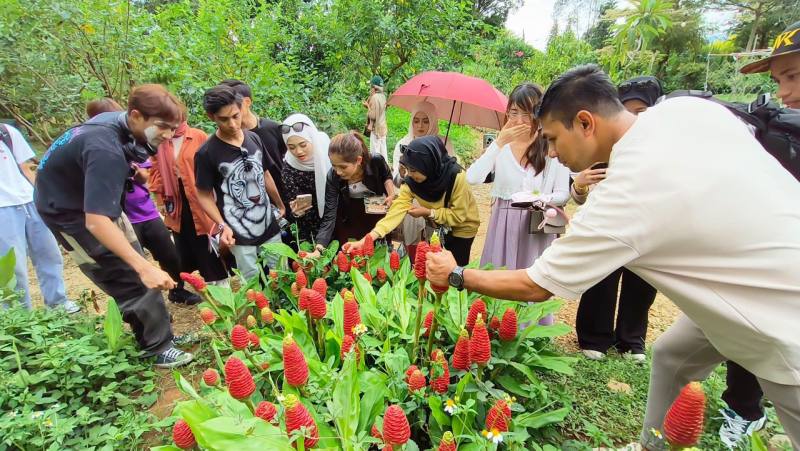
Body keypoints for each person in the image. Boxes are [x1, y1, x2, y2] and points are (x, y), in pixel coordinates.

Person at [424, 65, 800, 451]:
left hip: (777, 315)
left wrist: (456, 275)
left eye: (553, 138)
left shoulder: (625, 190)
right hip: (747, 268)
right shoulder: (684, 110)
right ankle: (651, 445)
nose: (551, 151)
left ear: (585, 123)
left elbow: (537, 285)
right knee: (672, 355)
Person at [34, 84, 192, 368]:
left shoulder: (115, 124)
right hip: (71, 214)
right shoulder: (104, 149)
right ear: (135, 115)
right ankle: (157, 347)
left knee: (134, 259)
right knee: (128, 272)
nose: (168, 135)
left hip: (90, 200)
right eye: (163, 127)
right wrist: (143, 267)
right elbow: (95, 222)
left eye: (173, 128)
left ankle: (160, 332)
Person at [705, 20, 800, 448]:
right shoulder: (778, 132)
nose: (784, 92)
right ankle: (744, 409)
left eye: (793, 76)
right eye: (780, 79)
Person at [572, 77, 662, 362]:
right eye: (628, 110)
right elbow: (581, 197)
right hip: (609, 223)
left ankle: (631, 340)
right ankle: (595, 337)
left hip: (647, 222)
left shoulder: (664, 146)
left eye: (641, 111)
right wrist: (579, 185)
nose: (634, 118)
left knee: (642, 280)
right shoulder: (603, 145)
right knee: (602, 275)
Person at [466, 83, 569, 325]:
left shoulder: (551, 146)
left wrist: (541, 199)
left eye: (527, 113)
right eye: (514, 112)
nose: (520, 120)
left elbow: (563, 194)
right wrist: (498, 143)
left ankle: (531, 335)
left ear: (540, 114)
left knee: (533, 280)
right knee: (500, 277)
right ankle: (493, 329)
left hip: (536, 226)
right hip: (503, 224)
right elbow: (472, 177)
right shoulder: (501, 147)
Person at [85, 98, 201, 305]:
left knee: (170, 255)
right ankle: (150, 307)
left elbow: (148, 175)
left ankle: (177, 290)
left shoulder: (133, 142)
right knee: (134, 262)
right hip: (123, 218)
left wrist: (139, 176)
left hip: (146, 211)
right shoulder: (99, 147)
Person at [194, 85, 286, 281]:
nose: (233, 124)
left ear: (242, 108)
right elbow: (203, 194)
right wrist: (221, 225)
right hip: (237, 230)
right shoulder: (206, 153)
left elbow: (266, 173)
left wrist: (279, 204)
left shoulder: (253, 138)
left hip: (268, 222)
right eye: (224, 119)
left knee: (282, 273)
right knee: (251, 281)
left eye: (235, 116)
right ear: (211, 117)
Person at [346, 135, 480, 266]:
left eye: (414, 170)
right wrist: (367, 239)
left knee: (456, 270)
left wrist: (429, 212)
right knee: (437, 268)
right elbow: (394, 214)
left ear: (428, 165)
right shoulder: (412, 183)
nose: (409, 174)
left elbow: (458, 216)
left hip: (463, 227)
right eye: (407, 169)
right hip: (439, 227)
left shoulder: (457, 177)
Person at [0, 123, 78, 313]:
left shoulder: (6, 132)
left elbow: (27, 167)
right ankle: (19, 315)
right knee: (13, 267)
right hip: (3, 209)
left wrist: (44, 196)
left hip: (30, 200)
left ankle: (58, 303)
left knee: (49, 254)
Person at [149, 114, 230, 288]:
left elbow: (211, 167)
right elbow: (155, 170)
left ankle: (220, 285)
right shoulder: (161, 141)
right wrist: (160, 200)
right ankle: (185, 285)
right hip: (177, 203)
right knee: (183, 243)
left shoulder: (198, 136)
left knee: (206, 241)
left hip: (199, 200)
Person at [391, 101, 454, 262]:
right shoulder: (403, 144)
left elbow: (453, 177)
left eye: (426, 121)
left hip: (435, 205)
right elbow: (397, 183)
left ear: (433, 121)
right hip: (412, 205)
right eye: (416, 120)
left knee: (434, 250)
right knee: (412, 252)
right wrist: (401, 174)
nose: (420, 126)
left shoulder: (443, 144)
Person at [315, 132, 394, 251]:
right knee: (350, 252)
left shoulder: (375, 161)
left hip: (375, 213)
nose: (338, 172)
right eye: (334, 166)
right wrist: (319, 248)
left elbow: (386, 176)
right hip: (348, 216)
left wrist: (391, 194)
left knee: (377, 252)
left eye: (343, 167)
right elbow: (329, 213)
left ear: (358, 160)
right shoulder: (333, 176)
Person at [218, 79, 287, 200]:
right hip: (252, 201)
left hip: (285, 196)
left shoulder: (272, 128)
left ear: (247, 102)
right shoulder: (225, 139)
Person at [280, 113, 331, 245]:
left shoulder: (327, 152)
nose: (298, 152)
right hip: (309, 228)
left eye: (303, 145)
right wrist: (296, 212)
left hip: (335, 219)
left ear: (312, 139)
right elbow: (290, 207)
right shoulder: (289, 167)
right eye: (291, 147)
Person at [365, 75, 388, 162]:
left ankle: (376, 172)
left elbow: (373, 116)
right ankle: (385, 171)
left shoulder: (374, 97)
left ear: (374, 87)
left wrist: (367, 106)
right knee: (383, 152)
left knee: (375, 154)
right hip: (383, 128)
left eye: (371, 86)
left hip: (376, 130)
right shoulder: (383, 96)